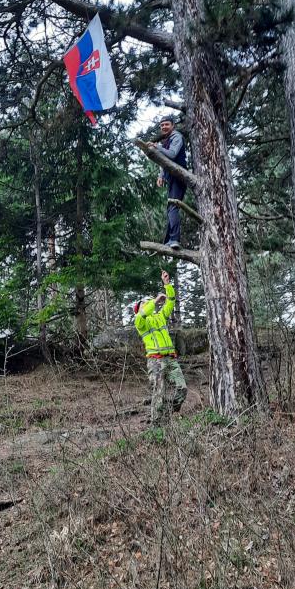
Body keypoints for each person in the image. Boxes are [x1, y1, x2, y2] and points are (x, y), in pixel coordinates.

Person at [133, 270, 187, 425]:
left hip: (171, 360)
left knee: (182, 389)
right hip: (155, 362)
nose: (149, 303)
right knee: (159, 393)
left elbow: (171, 301)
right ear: (139, 310)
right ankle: (157, 427)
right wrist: (155, 300)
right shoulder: (139, 322)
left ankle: (168, 412)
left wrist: (167, 284)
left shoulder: (160, 317)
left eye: (149, 301)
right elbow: (145, 311)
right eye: (145, 303)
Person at [150, 115, 187, 250]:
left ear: (173, 125)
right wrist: (161, 175)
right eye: (161, 125)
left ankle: (174, 239)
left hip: (179, 175)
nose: (163, 127)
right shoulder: (167, 140)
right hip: (171, 176)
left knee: (173, 207)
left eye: (166, 124)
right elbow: (164, 160)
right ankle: (169, 240)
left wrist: (156, 146)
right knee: (170, 208)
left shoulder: (177, 137)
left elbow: (171, 154)